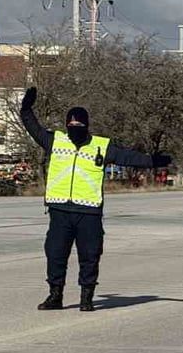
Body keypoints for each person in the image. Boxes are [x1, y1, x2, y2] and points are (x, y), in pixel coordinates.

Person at [20, 87, 172, 312]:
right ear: (66, 126)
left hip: (89, 211)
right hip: (59, 209)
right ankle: (55, 295)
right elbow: (33, 128)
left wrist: (153, 161)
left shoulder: (101, 146)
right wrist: (26, 109)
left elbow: (128, 157)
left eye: (79, 126)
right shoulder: (56, 141)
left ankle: (86, 296)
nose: (75, 130)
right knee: (55, 254)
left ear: (86, 126)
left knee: (90, 255)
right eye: (71, 126)